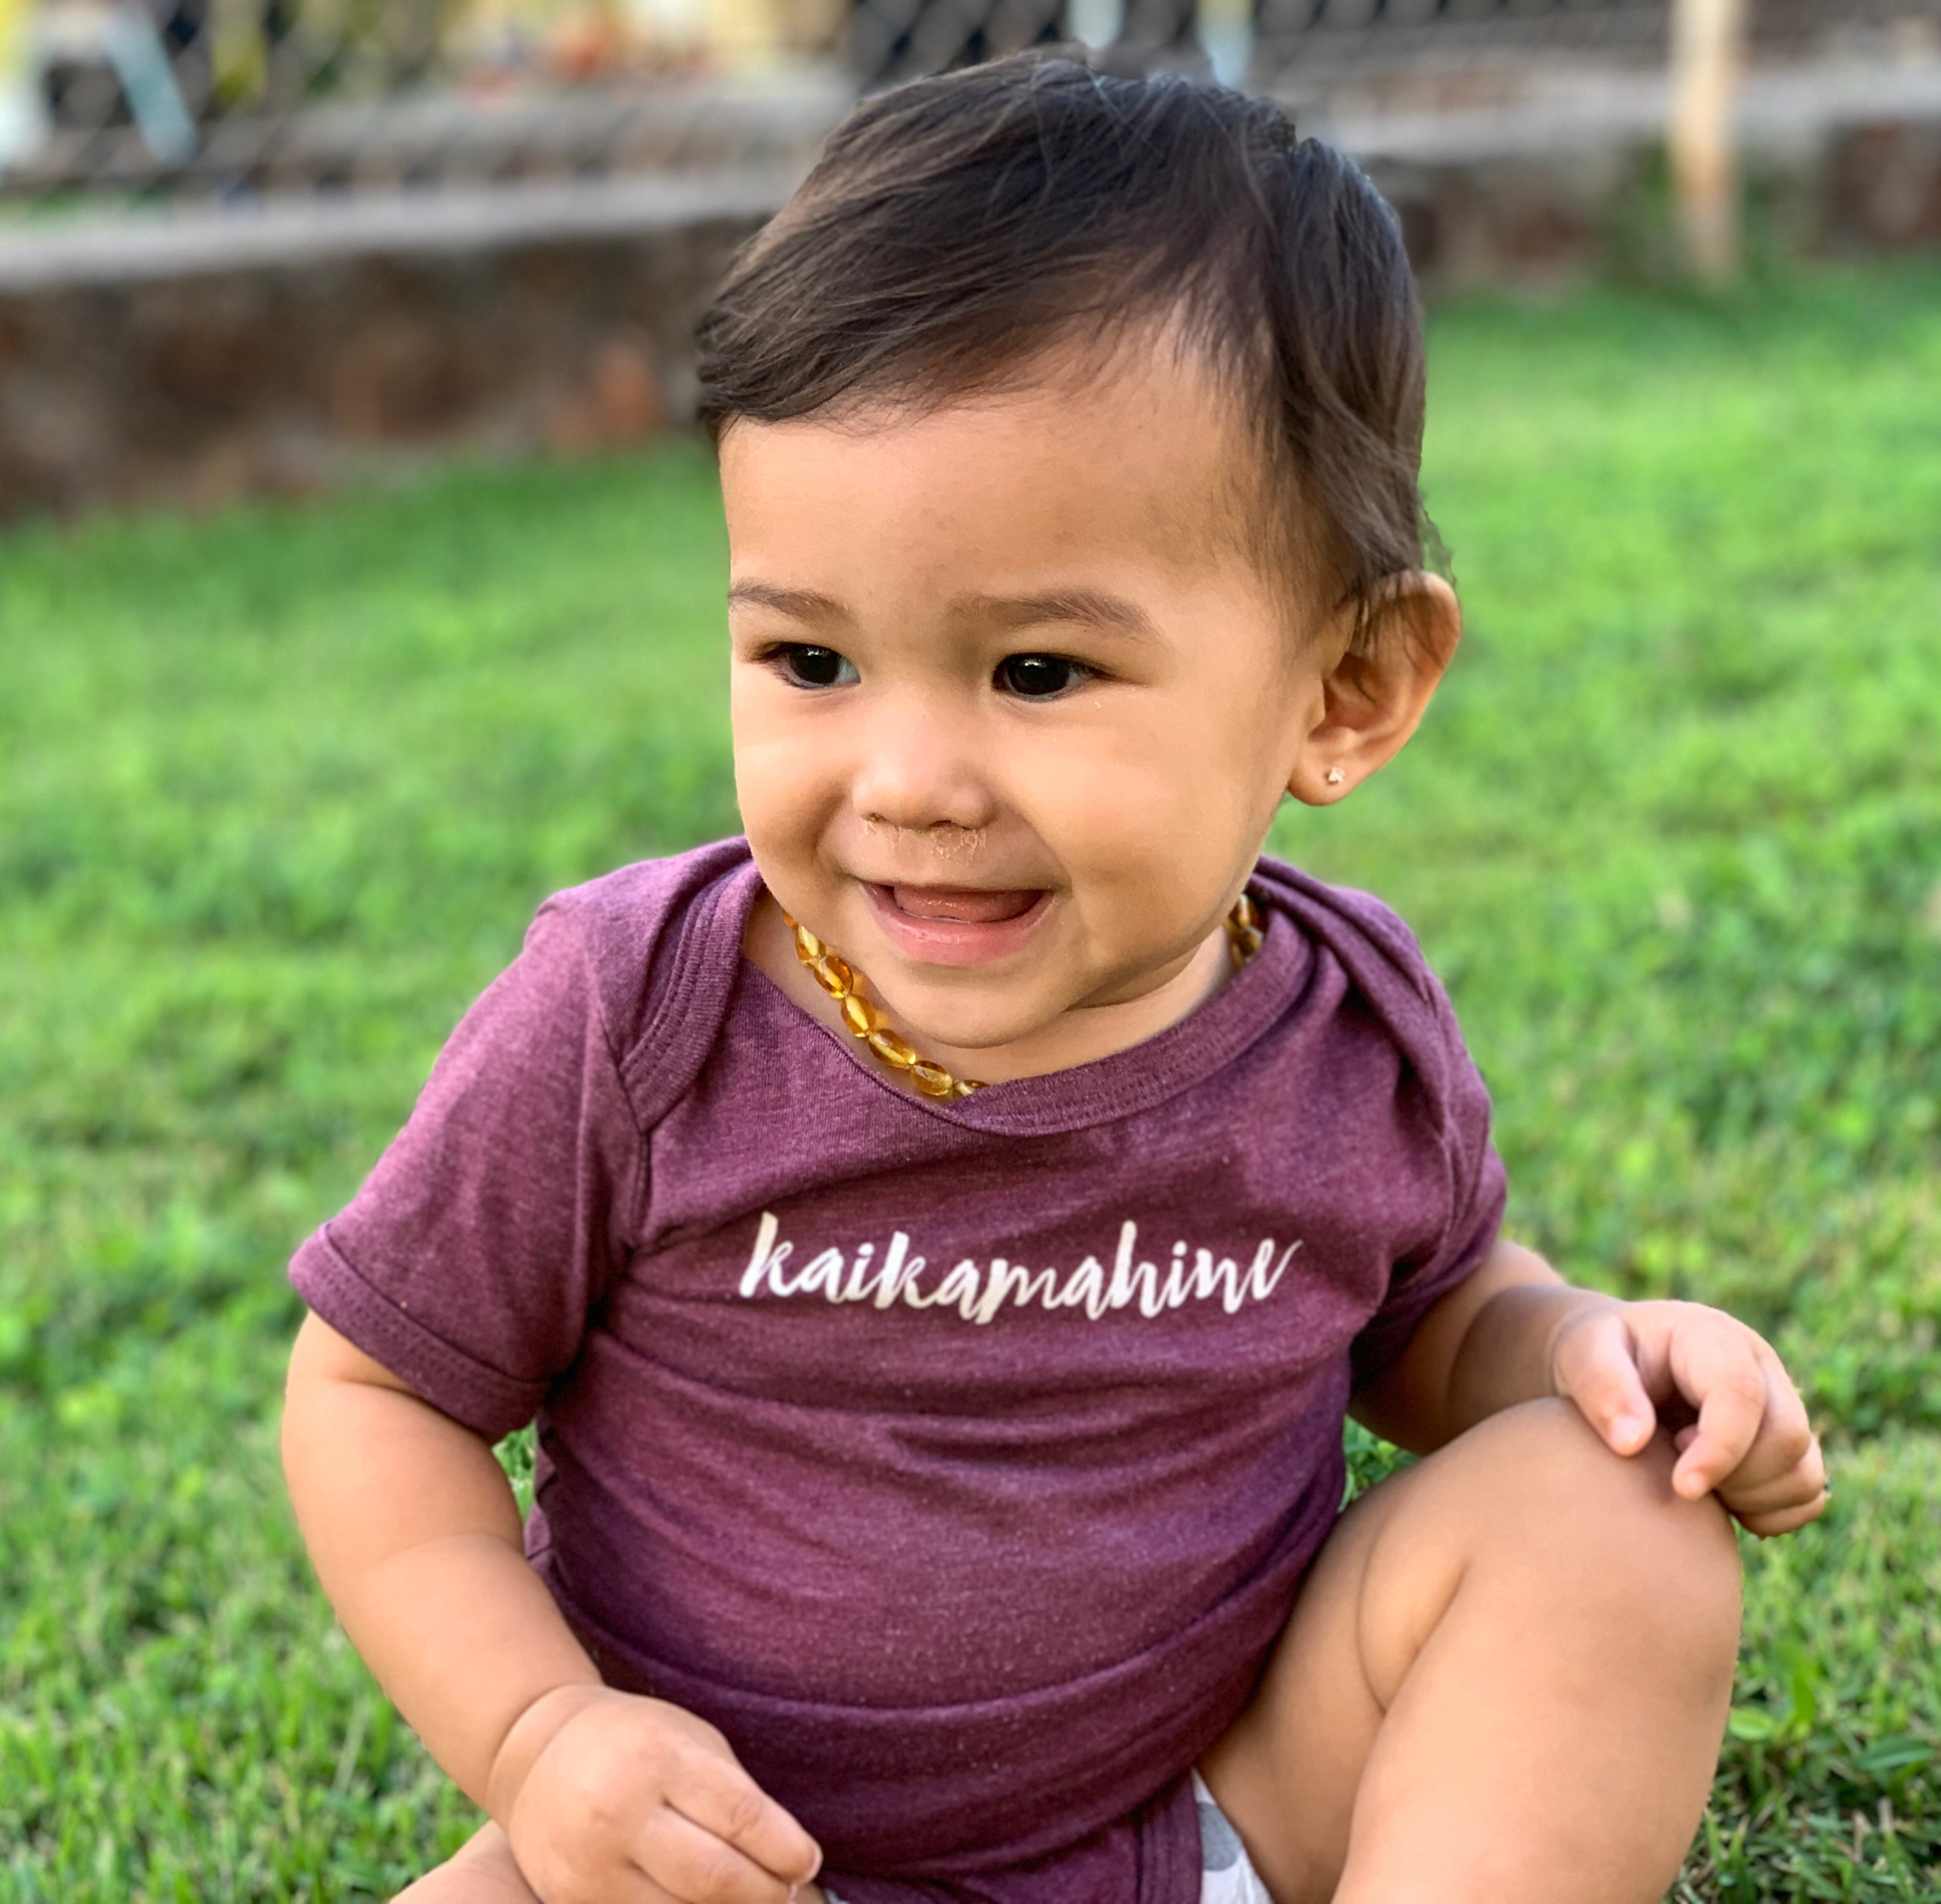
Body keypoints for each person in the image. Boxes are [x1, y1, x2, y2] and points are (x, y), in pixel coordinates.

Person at [278, 57, 1829, 1904]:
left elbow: (1430, 1319)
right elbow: (379, 1397)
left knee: (1618, 1519)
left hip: (1200, 1824)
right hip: (704, 1866)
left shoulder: (1343, 1033)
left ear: (1346, 692)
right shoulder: (638, 1016)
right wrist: (540, 1743)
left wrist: (1578, 1349)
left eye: (1036, 674)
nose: (909, 780)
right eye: (809, 659)